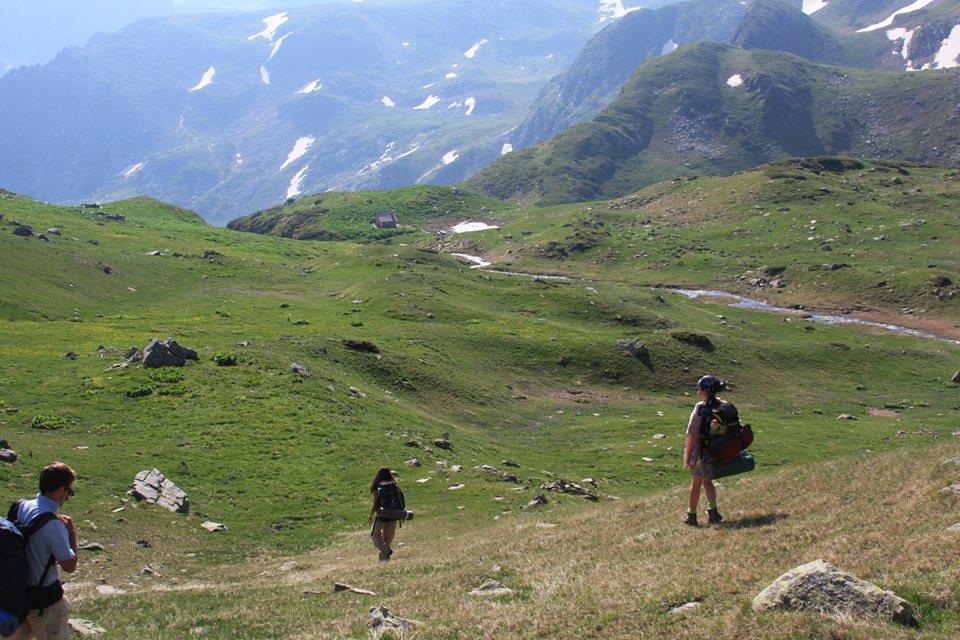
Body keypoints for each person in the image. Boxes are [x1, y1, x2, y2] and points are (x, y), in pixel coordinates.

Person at [10, 462, 79, 640]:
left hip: (15, 595)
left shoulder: (20, 507)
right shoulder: (53, 525)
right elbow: (69, 565)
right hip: (45, 601)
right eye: (69, 492)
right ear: (61, 490)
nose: (67, 496)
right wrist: (72, 534)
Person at [683, 376, 726, 527]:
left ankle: (692, 515)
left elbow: (692, 432)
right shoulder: (722, 405)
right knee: (708, 481)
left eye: (700, 389)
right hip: (715, 451)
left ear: (706, 391)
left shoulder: (700, 407)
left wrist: (688, 456)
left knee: (696, 484)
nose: (698, 392)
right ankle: (713, 512)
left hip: (701, 452)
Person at [368, 468, 403, 562]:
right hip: (394, 516)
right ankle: (384, 562)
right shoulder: (395, 487)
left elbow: (376, 504)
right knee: (387, 540)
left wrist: (371, 515)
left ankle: (386, 551)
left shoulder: (378, 487)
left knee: (375, 535)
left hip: (382, 517)